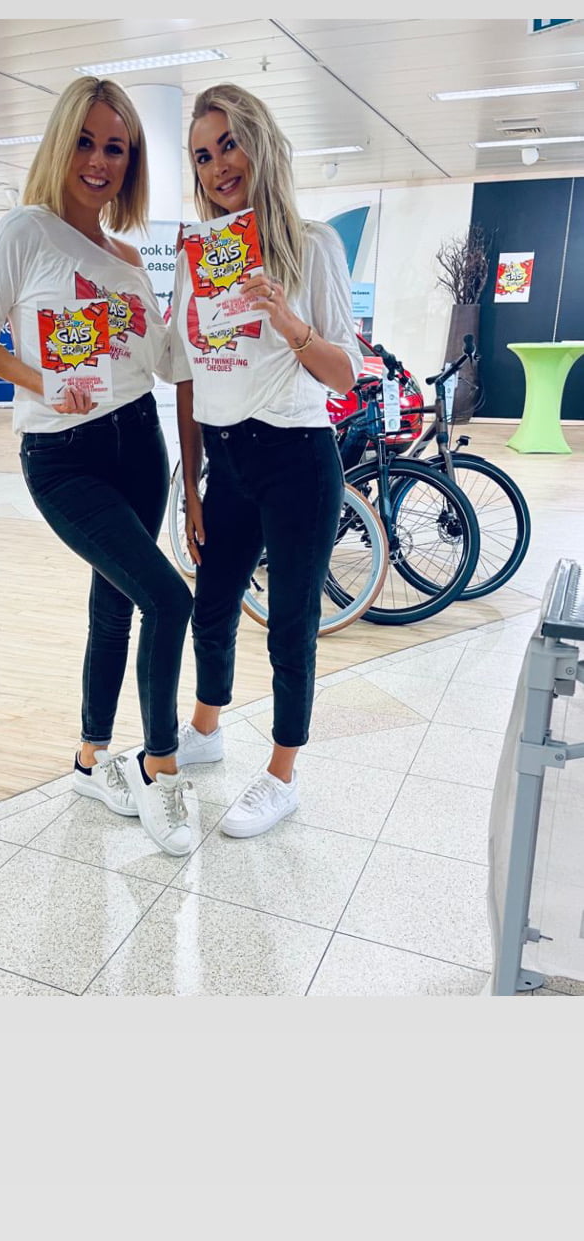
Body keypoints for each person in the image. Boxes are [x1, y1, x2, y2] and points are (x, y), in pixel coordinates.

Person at [0, 76, 193, 856]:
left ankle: (92, 758)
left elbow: (163, 361)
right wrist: (43, 383)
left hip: (139, 439)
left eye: (115, 148)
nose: (99, 161)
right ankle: (161, 769)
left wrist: (204, 308)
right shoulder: (25, 230)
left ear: (131, 162)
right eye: (86, 142)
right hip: (64, 456)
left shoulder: (127, 257)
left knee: (117, 602)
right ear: (62, 144)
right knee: (169, 599)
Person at [169, 82, 362, 838]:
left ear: (261, 145)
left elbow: (344, 375)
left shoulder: (314, 245)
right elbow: (188, 376)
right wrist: (192, 489)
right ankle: (206, 731)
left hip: (296, 459)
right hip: (225, 461)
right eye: (202, 155)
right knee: (212, 607)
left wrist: (290, 323)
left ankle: (283, 775)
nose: (219, 166)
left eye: (230, 145)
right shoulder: (196, 258)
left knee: (290, 625)